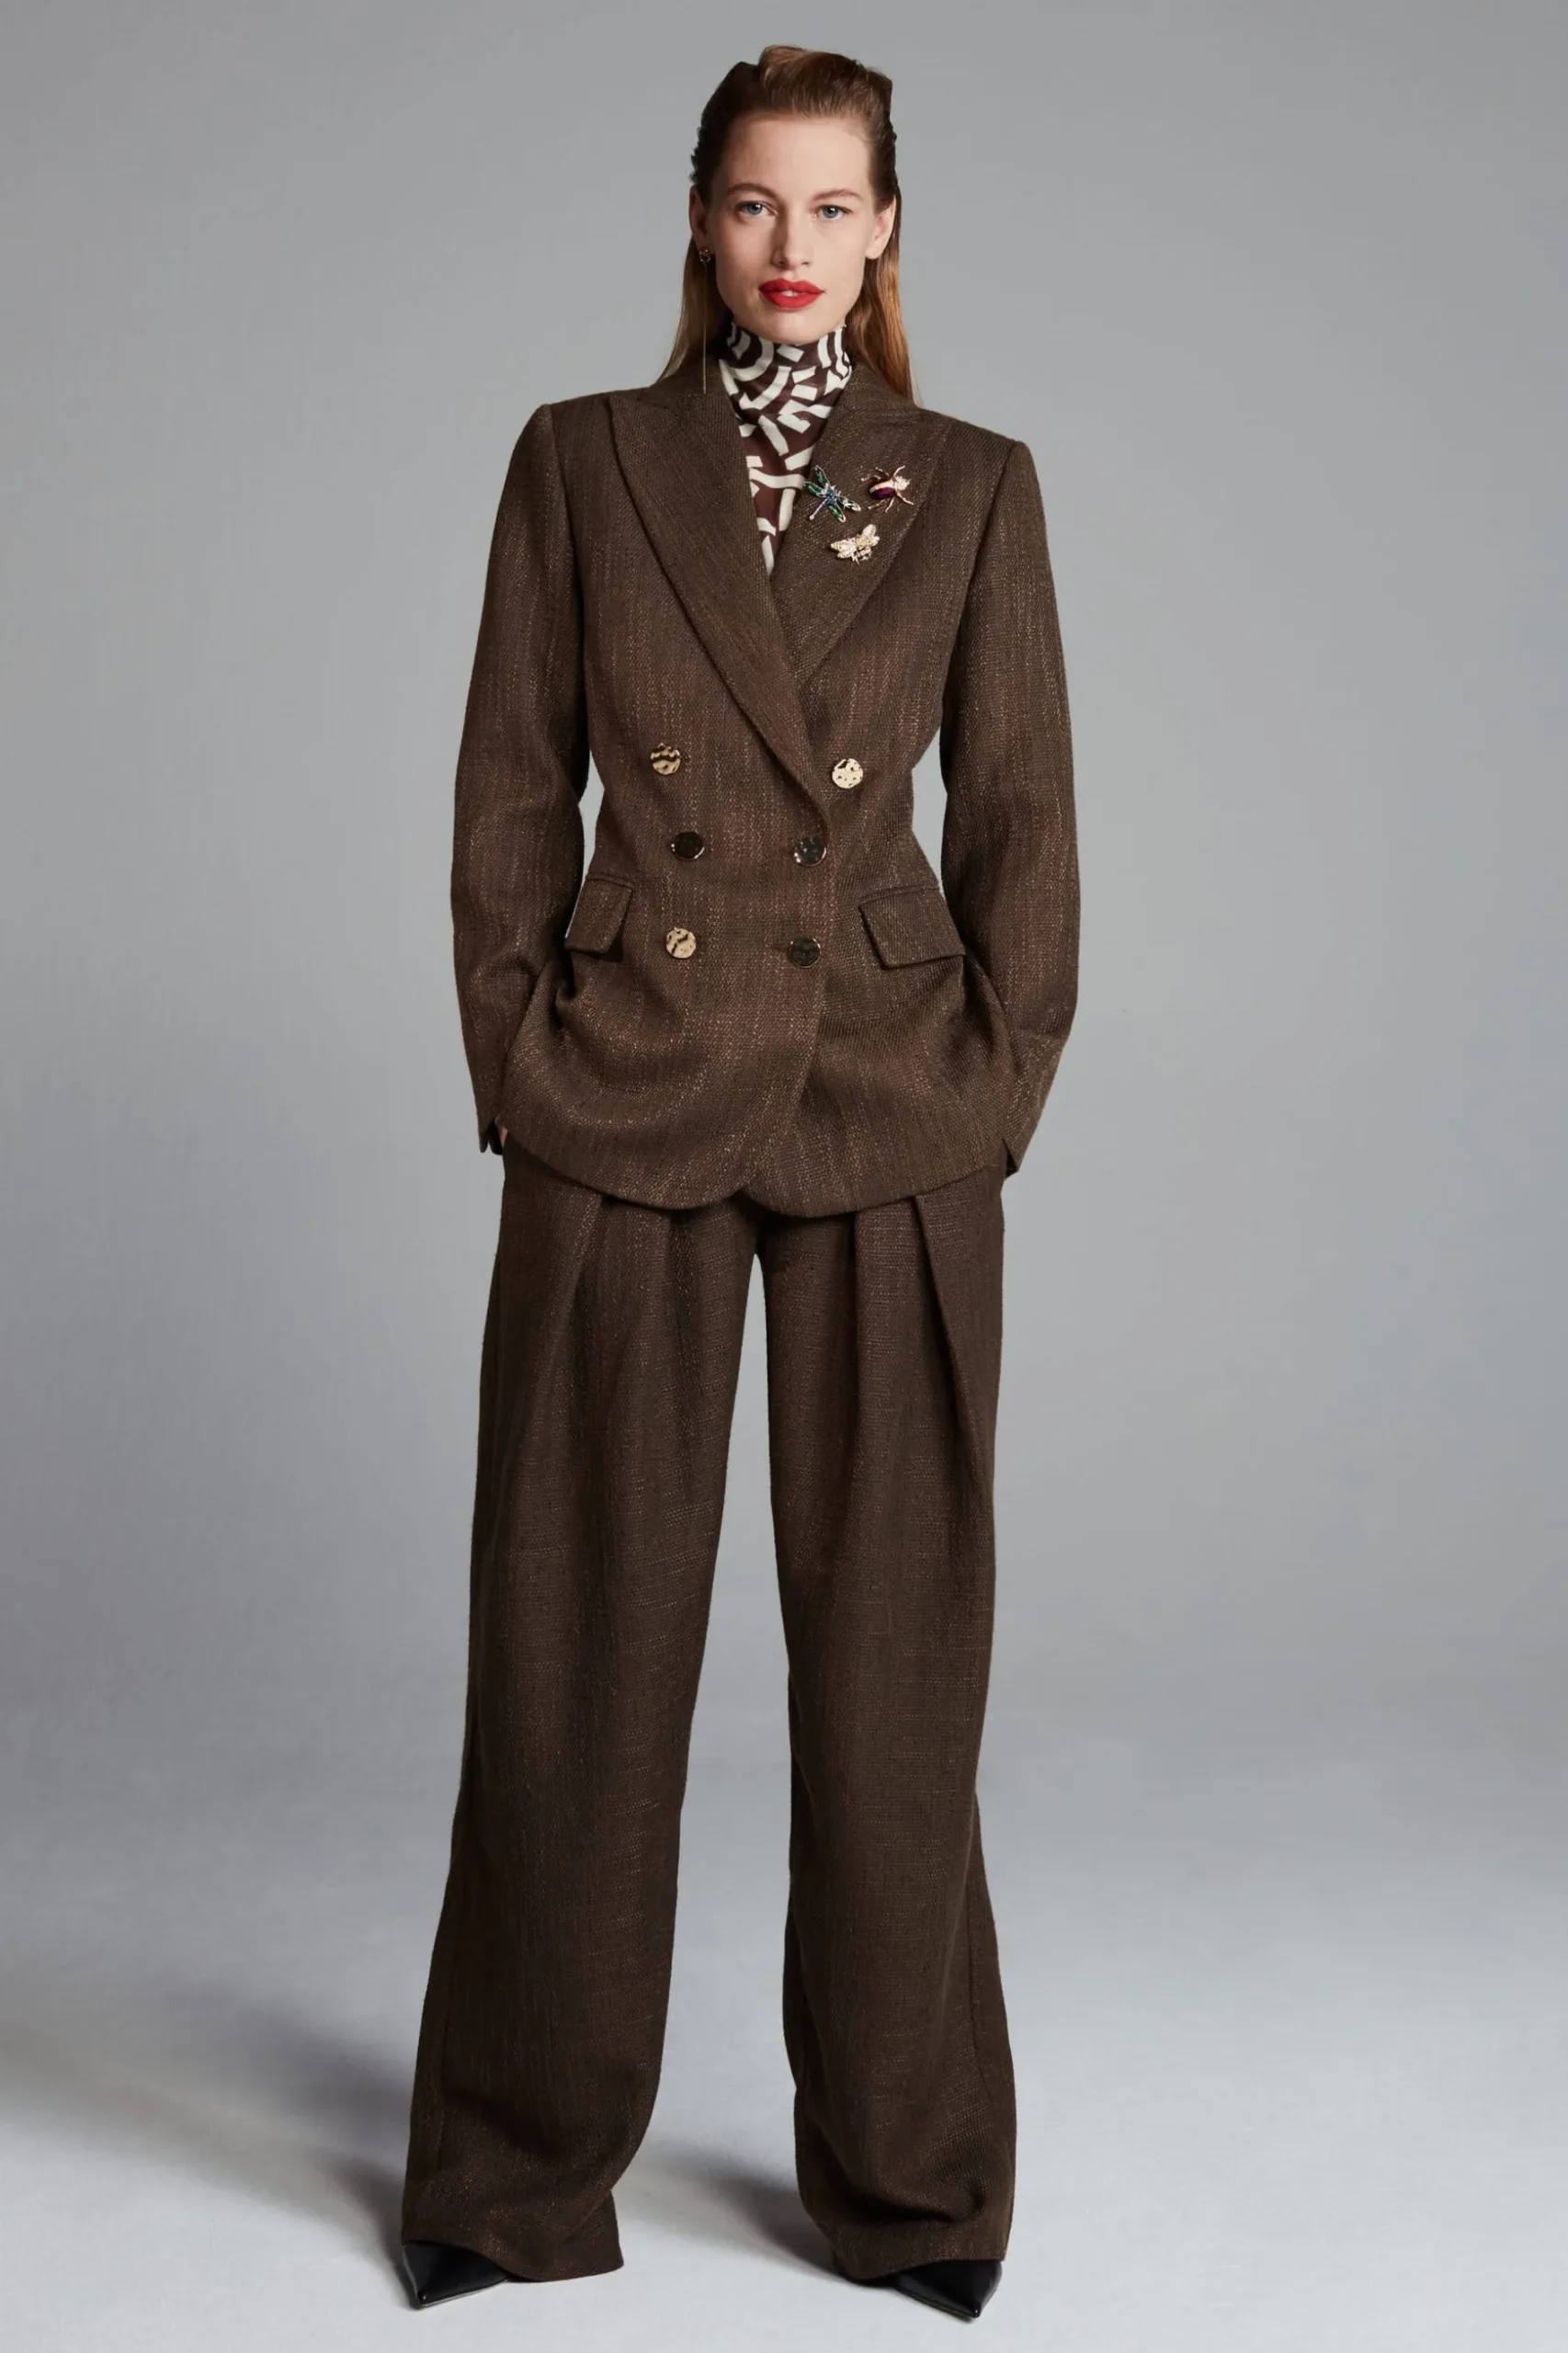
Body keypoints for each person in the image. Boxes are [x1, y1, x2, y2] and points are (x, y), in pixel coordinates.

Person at [397, 42, 1079, 2328]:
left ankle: (910, 2175)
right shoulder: (580, 461)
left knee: (898, 1663)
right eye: (755, 203)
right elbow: (510, 790)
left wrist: (993, 1082)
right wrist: (522, 1054)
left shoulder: (971, 485)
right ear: (698, 215)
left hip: (890, 1100)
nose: (793, 248)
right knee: (569, 1644)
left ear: (888, 231)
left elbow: (1024, 823)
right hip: (625, 1079)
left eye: (834, 206)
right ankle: (511, 2168)